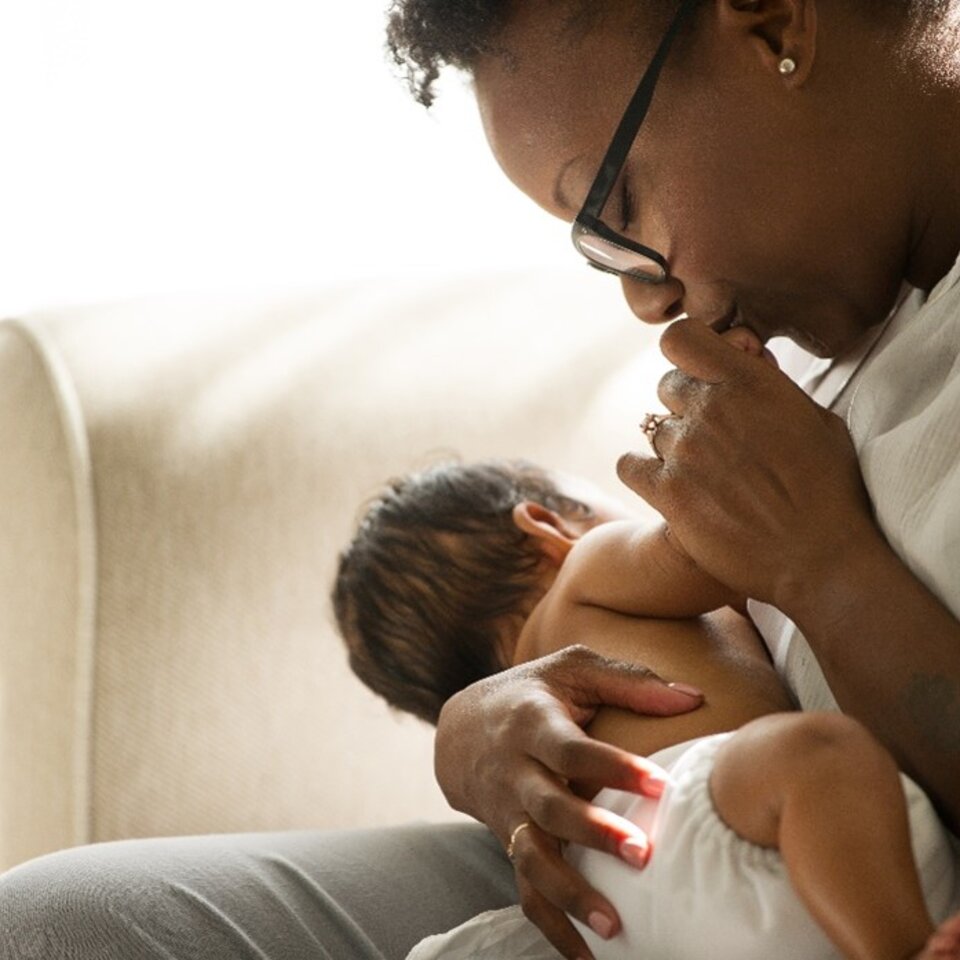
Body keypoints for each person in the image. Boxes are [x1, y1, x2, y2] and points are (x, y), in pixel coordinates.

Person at [3, 1, 960, 958]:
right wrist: (481, 733)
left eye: (616, 205)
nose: (643, 297)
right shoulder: (810, 329)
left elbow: (752, 576)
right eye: (601, 250)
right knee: (61, 921)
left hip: (805, 837)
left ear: (775, 24)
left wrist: (825, 567)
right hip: (677, 850)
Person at [333, 455, 959, 959]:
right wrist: (699, 463)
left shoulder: (517, 752)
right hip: (706, 815)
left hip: (627, 915)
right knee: (819, 752)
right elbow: (718, 543)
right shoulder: (587, 569)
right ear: (546, 526)